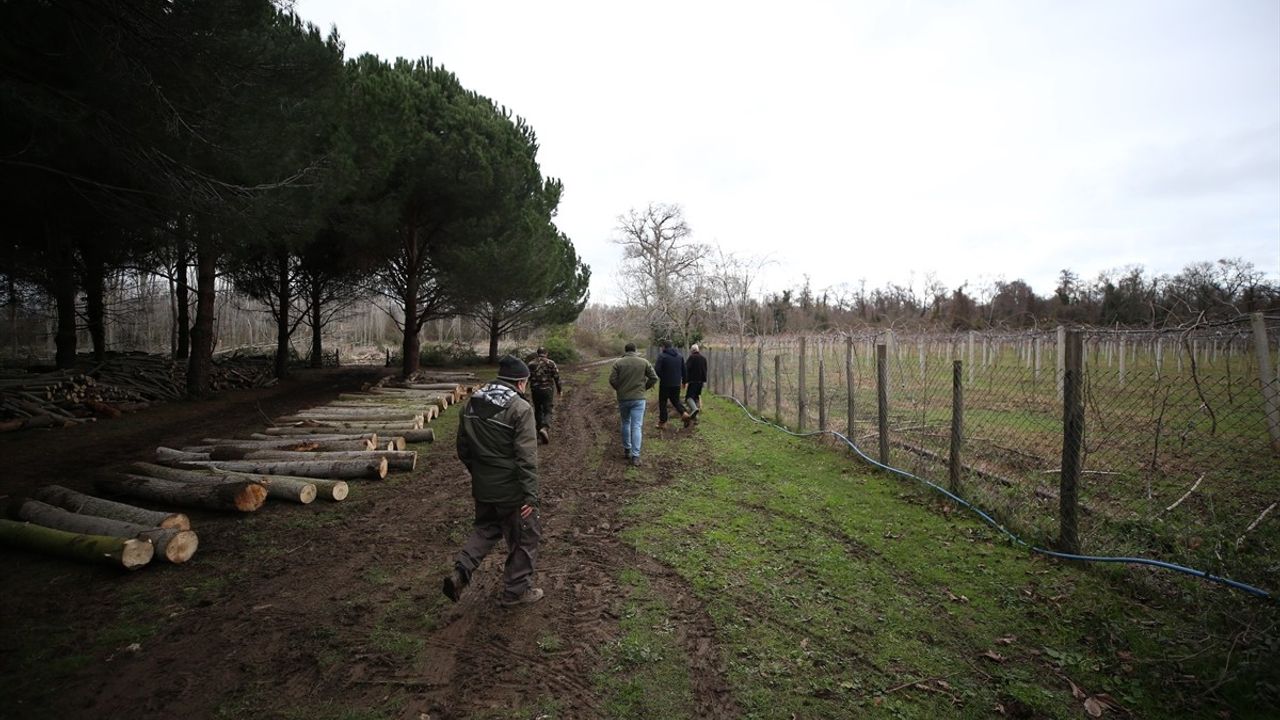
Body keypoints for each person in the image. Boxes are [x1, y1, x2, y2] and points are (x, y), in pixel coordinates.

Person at [443, 355, 543, 607]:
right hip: (512, 491)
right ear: (521, 383)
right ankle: (516, 592)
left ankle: (461, 571)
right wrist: (530, 495)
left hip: (483, 486)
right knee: (524, 538)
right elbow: (526, 457)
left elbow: (463, 447)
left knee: (487, 528)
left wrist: (480, 473)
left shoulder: (472, 403)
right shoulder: (520, 409)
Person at [609, 342, 657, 466]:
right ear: (635, 350)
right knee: (636, 426)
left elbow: (612, 380)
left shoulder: (618, 363)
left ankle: (627, 449)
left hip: (623, 398)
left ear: (625, 351)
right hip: (638, 399)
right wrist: (645, 388)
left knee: (625, 422)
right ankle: (636, 456)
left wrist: (619, 389)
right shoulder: (644, 362)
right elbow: (654, 378)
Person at [653, 339, 692, 429]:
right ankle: (684, 413)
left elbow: (657, 370)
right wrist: (684, 382)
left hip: (665, 384)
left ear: (663, 347)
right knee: (675, 401)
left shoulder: (662, 356)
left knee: (663, 402)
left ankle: (662, 422)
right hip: (676, 384)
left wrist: (662, 377)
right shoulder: (679, 356)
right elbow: (684, 370)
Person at [527, 346, 561, 445]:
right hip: (547, 390)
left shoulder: (531, 364)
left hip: (535, 390)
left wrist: (523, 389)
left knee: (537, 409)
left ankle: (538, 431)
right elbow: (556, 377)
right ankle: (545, 428)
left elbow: (527, 377)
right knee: (548, 409)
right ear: (546, 353)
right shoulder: (551, 363)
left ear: (537, 353)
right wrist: (559, 389)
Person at [685, 343, 707, 423]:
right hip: (701, 382)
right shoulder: (703, 359)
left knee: (689, 397)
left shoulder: (692, 358)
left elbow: (686, 369)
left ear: (692, 351)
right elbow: (705, 370)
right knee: (696, 397)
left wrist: (685, 380)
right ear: (698, 350)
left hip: (693, 381)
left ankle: (694, 409)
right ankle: (696, 418)